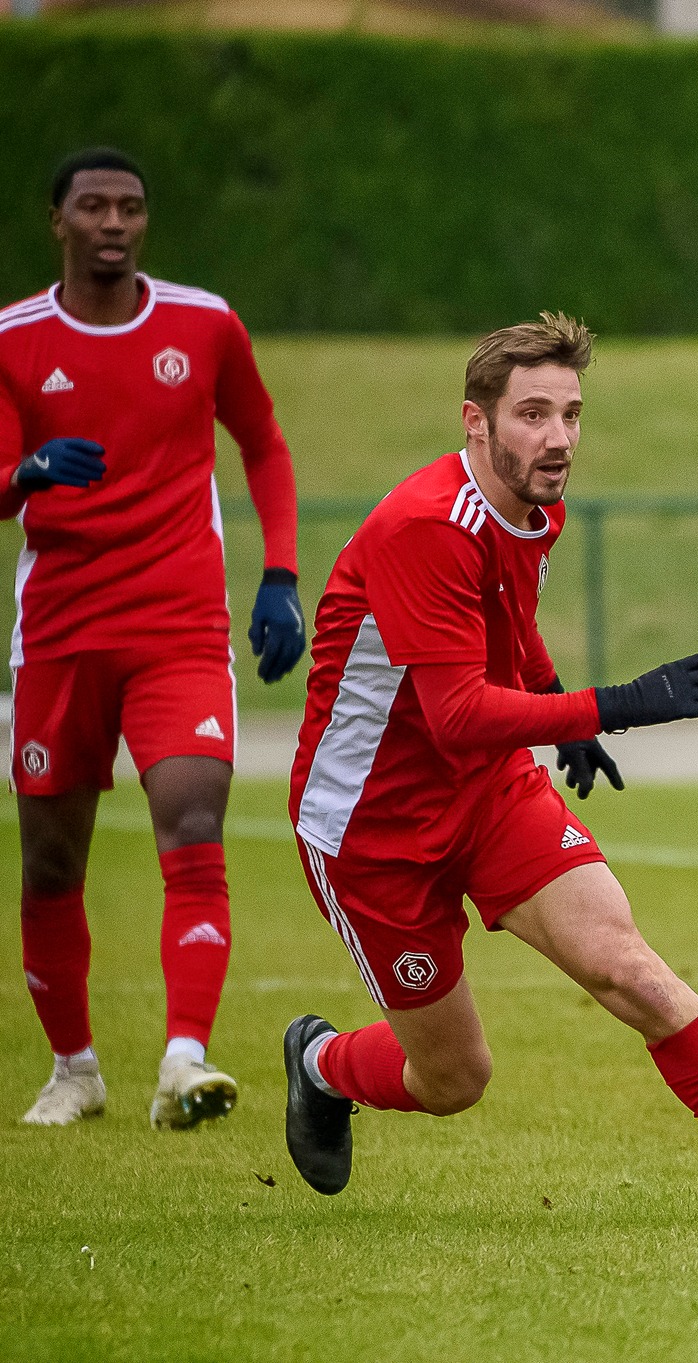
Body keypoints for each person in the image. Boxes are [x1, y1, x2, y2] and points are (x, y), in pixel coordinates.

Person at [279, 312, 698, 1225]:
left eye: (571, 413)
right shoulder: (424, 528)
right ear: (475, 422)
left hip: (489, 791)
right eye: (531, 414)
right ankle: (322, 1065)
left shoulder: (533, 506)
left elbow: (504, 625)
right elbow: (459, 713)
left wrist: (557, 703)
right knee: (453, 1078)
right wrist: (614, 703)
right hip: (372, 830)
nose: (557, 439)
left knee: (629, 970)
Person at [2, 147, 305, 1130]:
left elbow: (262, 443)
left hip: (177, 623)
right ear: (59, 221)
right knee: (51, 863)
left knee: (193, 818)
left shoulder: (204, 323)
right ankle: (74, 1069)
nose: (115, 223)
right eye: (94, 206)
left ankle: (183, 1061)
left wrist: (279, 576)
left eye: (131, 206)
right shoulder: (11, 340)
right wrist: (24, 474)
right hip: (59, 634)